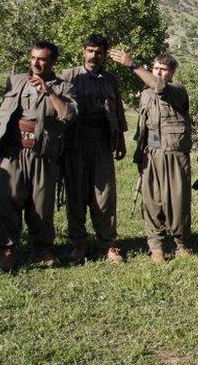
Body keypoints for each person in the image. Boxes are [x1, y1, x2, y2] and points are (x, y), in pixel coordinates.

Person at [0, 41, 77, 271]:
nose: (36, 63)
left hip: (43, 154)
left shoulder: (64, 87)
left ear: (53, 62)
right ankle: (6, 250)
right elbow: (3, 115)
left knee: (41, 205)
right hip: (13, 152)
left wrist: (48, 91)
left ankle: (41, 248)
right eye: (33, 58)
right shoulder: (16, 81)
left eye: (42, 59)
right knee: (8, 202)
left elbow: (68, 116)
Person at [109, 50, 192, 262]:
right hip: (152, 154)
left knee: (177, 201)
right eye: (156, 68)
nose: (159, 73)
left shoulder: (177, 89)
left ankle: (180, 243)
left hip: (174, 154)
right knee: (152, 201)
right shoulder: (145, 95)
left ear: (172, 73)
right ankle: (155, 245)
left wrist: (132, 64)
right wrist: (140, 156)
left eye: (164, 70)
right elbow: (143, 128)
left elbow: (160, 87)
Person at [61, 34, 127, 264]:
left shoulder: (110, 79)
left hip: (102, 143)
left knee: (105, 196)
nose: (94, 56)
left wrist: (120, 139)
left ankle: (108, 244)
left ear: (103, 55)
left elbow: (117, 109)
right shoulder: (68, 76)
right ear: (83, 51)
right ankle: (78, 244)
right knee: (77, 195)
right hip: (75, 144)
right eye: (90, 51)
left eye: (98, 52)